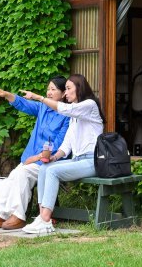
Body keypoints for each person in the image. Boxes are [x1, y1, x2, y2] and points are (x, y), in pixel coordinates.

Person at [0, 77, 70, 231]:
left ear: (63, 94)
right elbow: (25, 104)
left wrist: (35, 158)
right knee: (14, 175)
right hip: (31, 159)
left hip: (50, 161)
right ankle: (0, 214)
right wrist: (7, 94)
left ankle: (18, 216)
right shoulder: (43, 108)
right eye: (48, 88)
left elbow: (60, 144)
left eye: (53, 89)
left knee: (21, 173)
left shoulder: (67, 115)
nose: (49, 92)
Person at [20, 73, 104, 236]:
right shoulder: (74, 118)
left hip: (92, 161)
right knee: (46, 167)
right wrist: (54, 157)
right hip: (78, 160)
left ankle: (45, 220)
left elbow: (66, 108)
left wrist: (40, 98)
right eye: (64, 89)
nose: (65, 93)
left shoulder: (90, 105)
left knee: (52, 171)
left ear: (78, 88)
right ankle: (42, 217)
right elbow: (67, 145)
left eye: (68, 89)